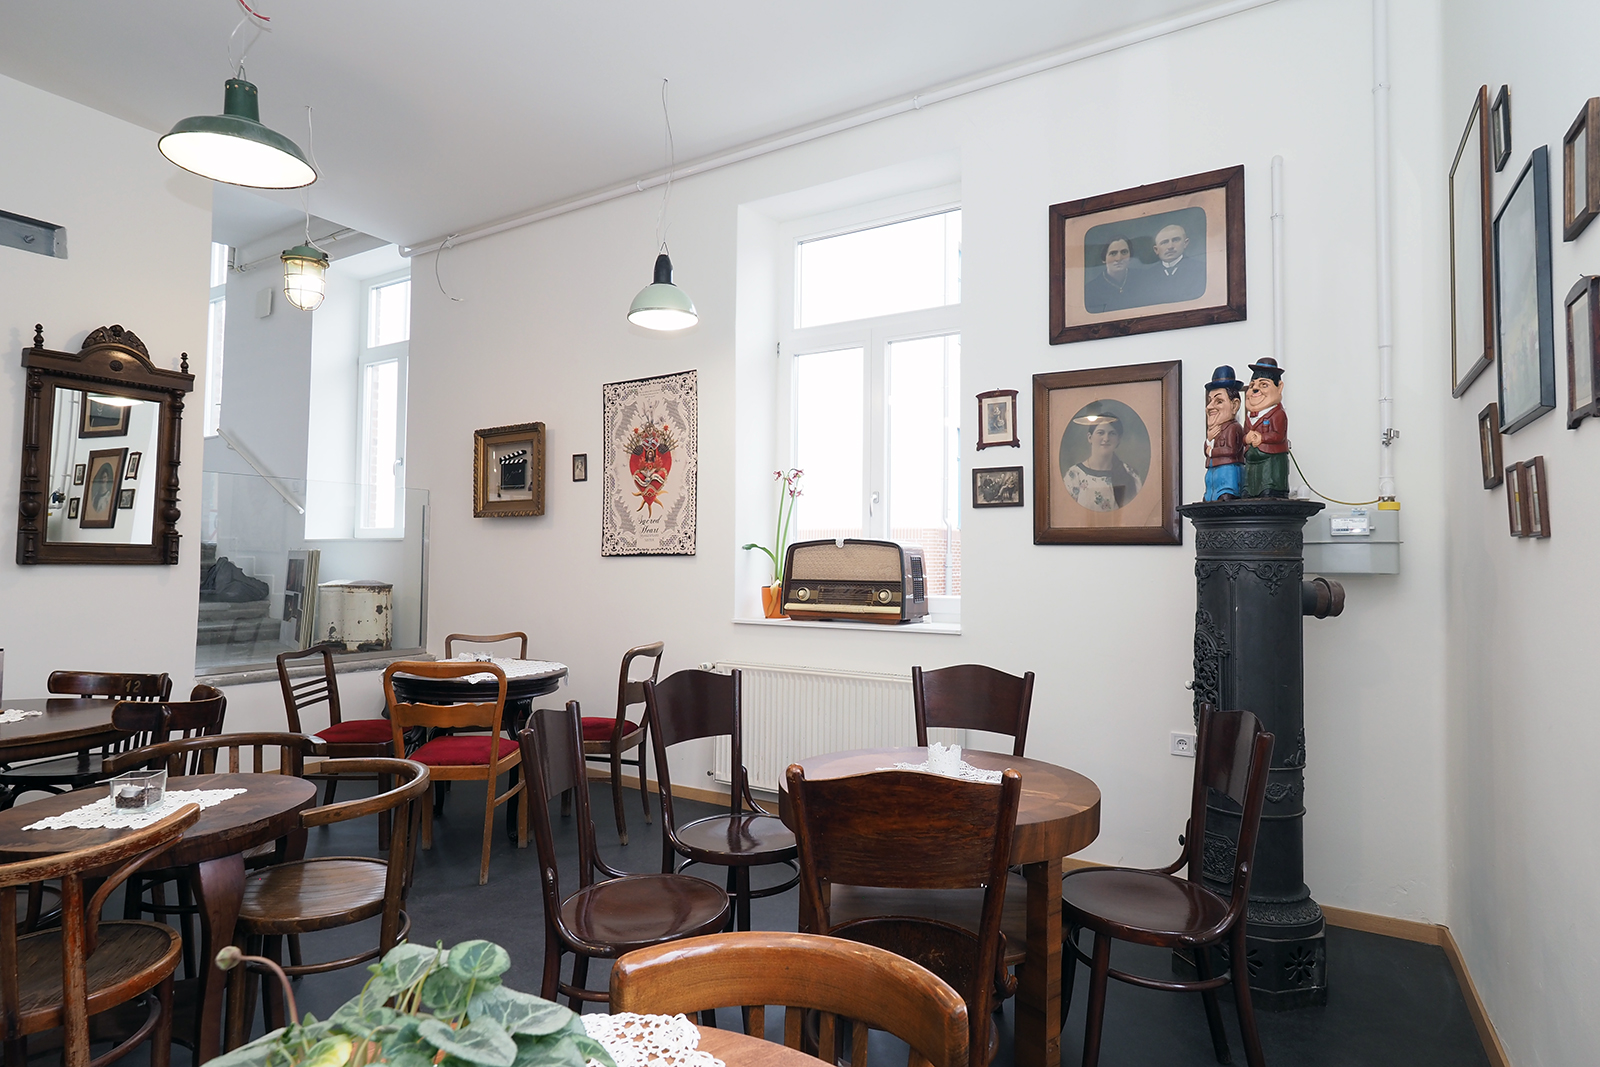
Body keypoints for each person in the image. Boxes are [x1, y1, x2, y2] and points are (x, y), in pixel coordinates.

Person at [1063, 402, 1143, 511]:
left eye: (1112, 433)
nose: (1106, 439)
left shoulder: (1130, 474)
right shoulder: (1074, 476)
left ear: (1118, 440)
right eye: (1100, 433)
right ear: (1090, 437)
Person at [1242, 358, 1290, 498]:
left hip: (1271, 460)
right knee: (1250, 486)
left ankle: (1271, 488)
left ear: (1279, 387)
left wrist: (1262, 438)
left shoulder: (1278, 414)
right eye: (1252, 385)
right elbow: (1244, 435)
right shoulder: (1249, 416)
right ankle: (1250, 489)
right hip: (1251, 460)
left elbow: (1279, 435)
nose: (1255, 389)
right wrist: (1246, 439)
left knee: (1269, 484)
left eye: (1264, 385)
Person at [1133, 222, 1206, 304]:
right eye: (1164, 242)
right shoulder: (1147, 277)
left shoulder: (1201, 269)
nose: (1170, 246)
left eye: (1175, 240)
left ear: (1185, 243)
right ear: (1156, 250)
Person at [1203, 365, 1245, 501]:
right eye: (1210, 401)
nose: (1210, 407)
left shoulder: (1233, 428)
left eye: (1219, 401)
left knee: (1225, 494)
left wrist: (1211, 451)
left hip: (1228, 473)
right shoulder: (1213, 430)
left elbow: (1231, 450)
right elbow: (1206, 450)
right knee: (1210, 496)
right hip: (1212, 472)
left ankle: (1226, 493)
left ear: (1234, 405)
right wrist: (1209, 439)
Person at [1083, 235, 1137, 313]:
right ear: (1104, 259)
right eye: (1113, 253)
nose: (1119, 258)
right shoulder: (1090, 290)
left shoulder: (1142, 279)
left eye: (1124, 252)